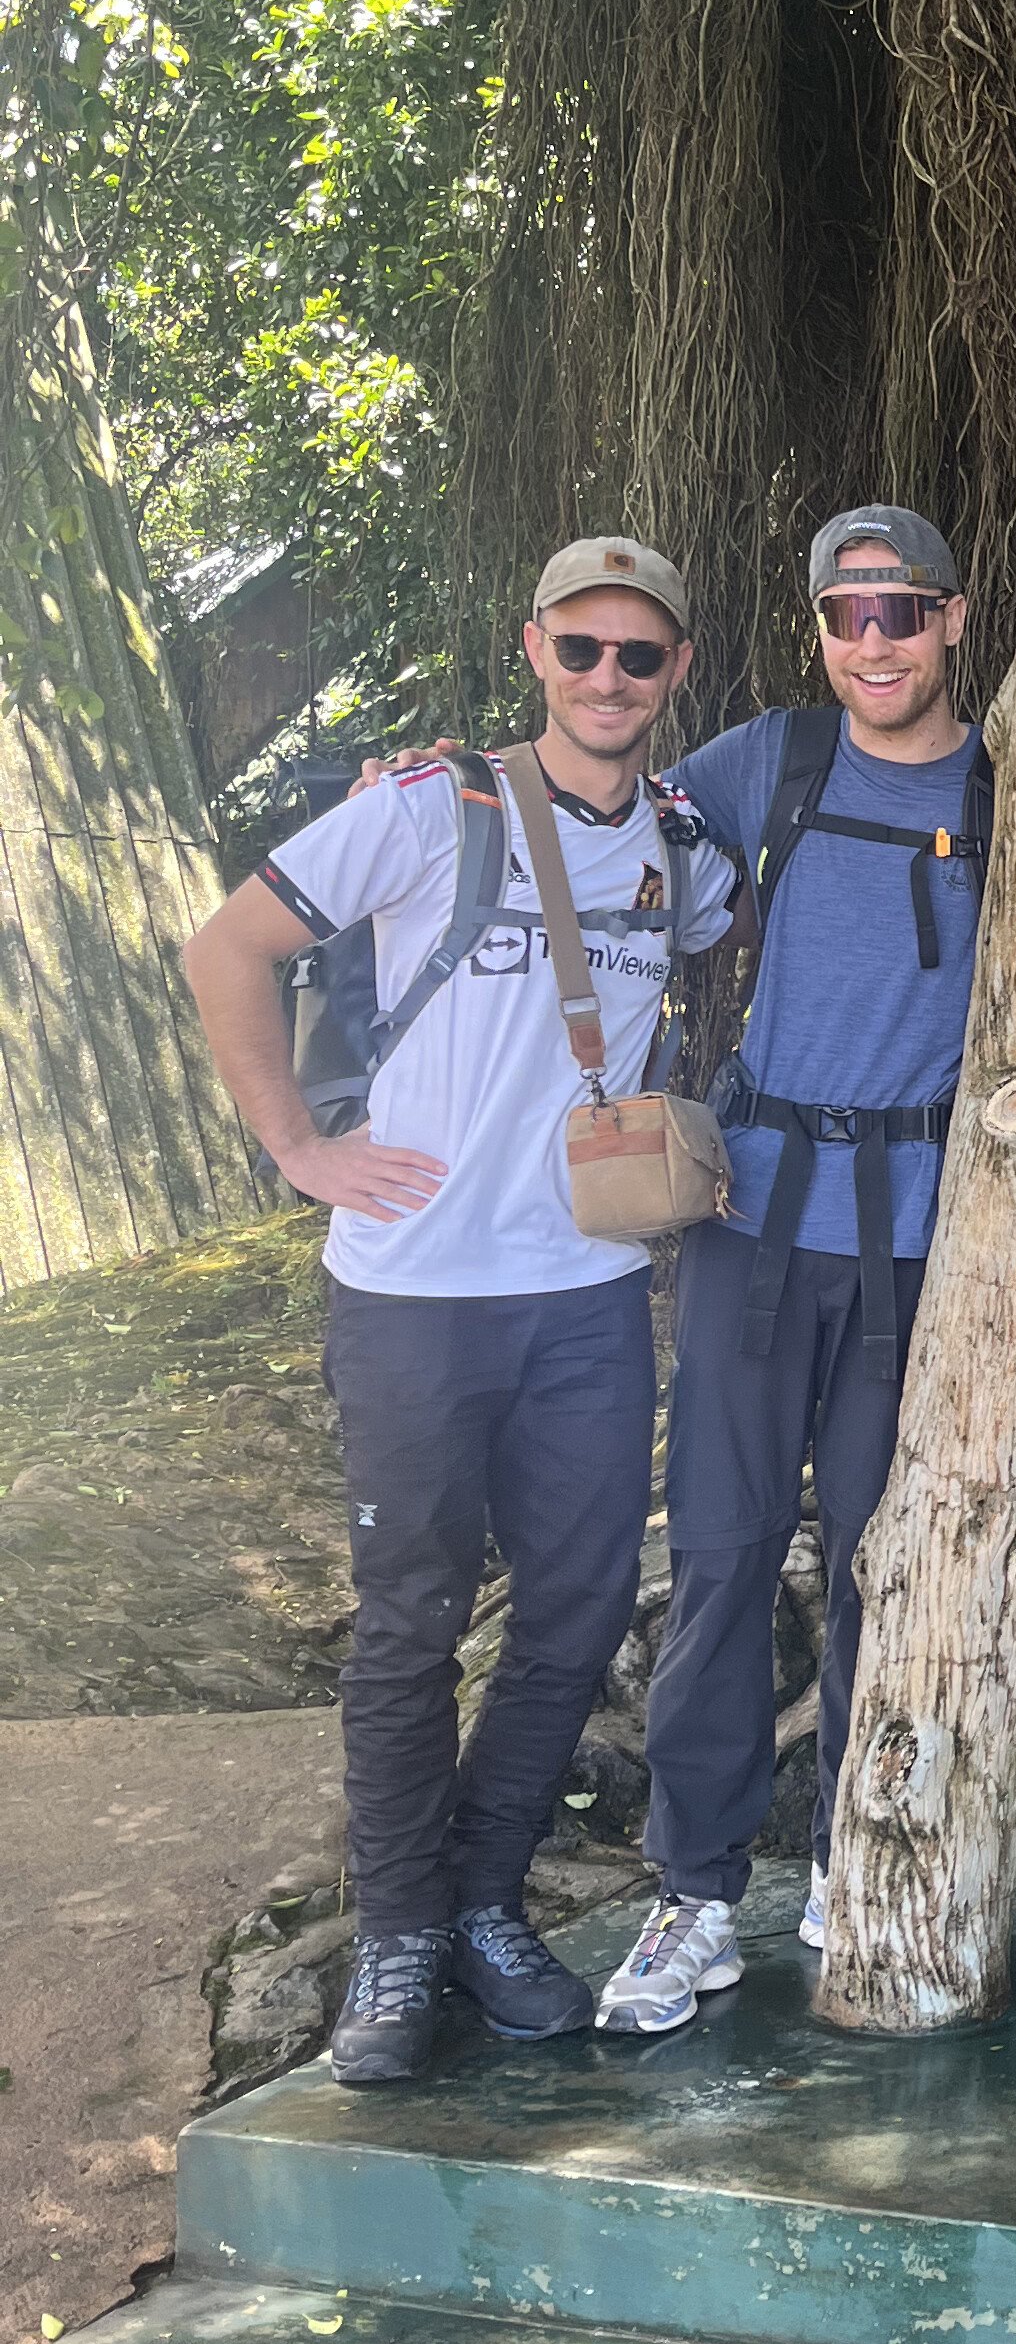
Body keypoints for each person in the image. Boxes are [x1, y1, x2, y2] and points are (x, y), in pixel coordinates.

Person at [595, 505, 1016, 2034]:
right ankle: (695, 1896)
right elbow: (606, 845)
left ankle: (848, 1866)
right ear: (817, 630)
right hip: (747, 1231)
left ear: (957, 619)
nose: (877, 641)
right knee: (723, 1562)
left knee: (885, 1563)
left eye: (903, 612)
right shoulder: (766, 765)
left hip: (924, 1242)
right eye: (848, 614)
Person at [184, 542, 738, 2082]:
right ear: (534, 648)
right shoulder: (433, 805)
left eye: (639, 655)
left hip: (588, 1294)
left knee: (566, 1618)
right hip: (415, 1293)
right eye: (581, 651)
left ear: (677, 670)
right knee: (410, 1627)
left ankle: (488, 1904)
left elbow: (727, 943)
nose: (609, 680)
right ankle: (401, 1935)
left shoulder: (688, 851)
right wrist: (299, 1147)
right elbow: (227, 945)